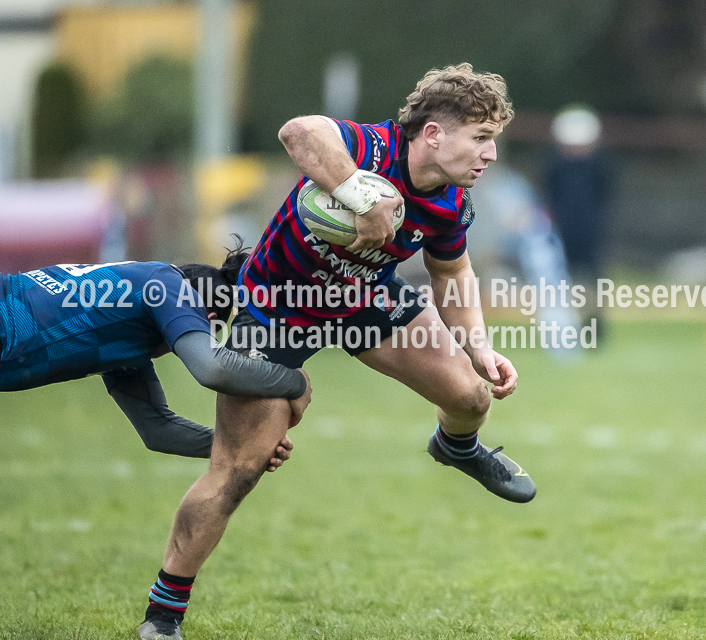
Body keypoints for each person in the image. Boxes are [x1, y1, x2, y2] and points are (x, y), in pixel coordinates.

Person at [136, 63, 535, 640]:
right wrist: (359, 196)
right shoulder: (369, 147)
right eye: (481, 138)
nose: (490, 154)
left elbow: (451, 270)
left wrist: (479, 347)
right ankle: (163, 616)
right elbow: (299, 131)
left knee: (472, 394)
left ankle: (457, 448)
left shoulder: (451, 202)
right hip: (276, 308)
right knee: (238, 470)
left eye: (492, 140)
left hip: (361, 299)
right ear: (432, 134)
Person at [0, 237, 311, 466]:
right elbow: (212, 367)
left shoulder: (129, 333)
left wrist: (247, 444)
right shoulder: (165, 282)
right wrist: (295, 383)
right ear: (207, 320)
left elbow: (158, 430)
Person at [542, 105, 613, 338]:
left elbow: (605, 194)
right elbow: (549, 196)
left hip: (589, 232)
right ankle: (564, 325)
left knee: (591, 281)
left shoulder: (598, 166)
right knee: (562, 280)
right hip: (561, 232)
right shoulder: (556, 166)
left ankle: (594, 326)